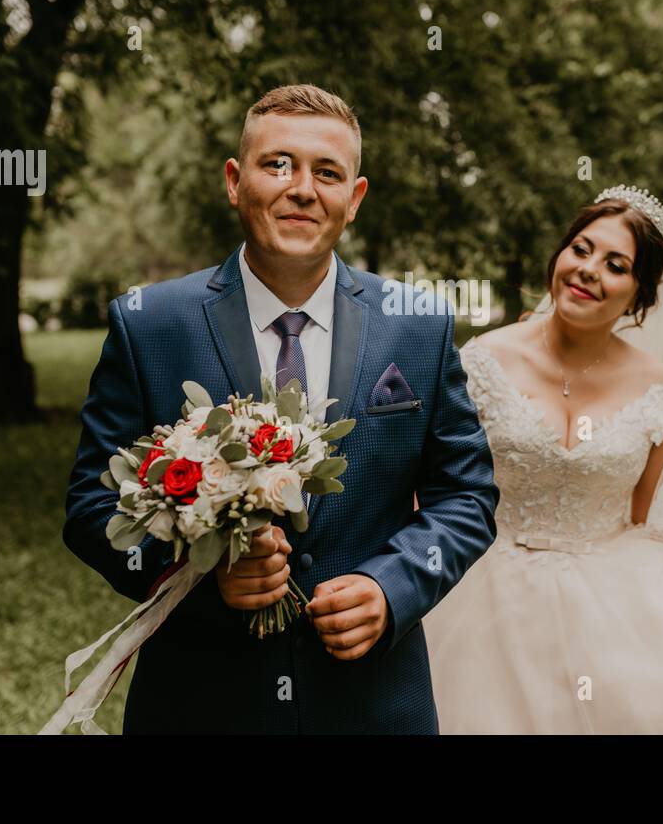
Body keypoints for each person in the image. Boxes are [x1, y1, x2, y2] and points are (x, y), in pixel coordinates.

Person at [61, 84, 498, 733]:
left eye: (327, 173)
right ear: (235, 182)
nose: (302, 188)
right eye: (278, 164)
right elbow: (92, 508)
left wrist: (392, 587)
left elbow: (465, 495)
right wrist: (199, 579)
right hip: (201, 700)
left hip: (372, 701)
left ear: (354, 200)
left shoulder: (419, 325)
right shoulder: (149, 324)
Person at [422, 185, 663, 733]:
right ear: (559, 255)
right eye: (580, 249)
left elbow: (646, 514)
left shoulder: (660, 389)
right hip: (483, 579)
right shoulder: (483, 361)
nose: (588, 271)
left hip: (611, 585)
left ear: (639, 294)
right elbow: (438, 484)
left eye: (615, 264)